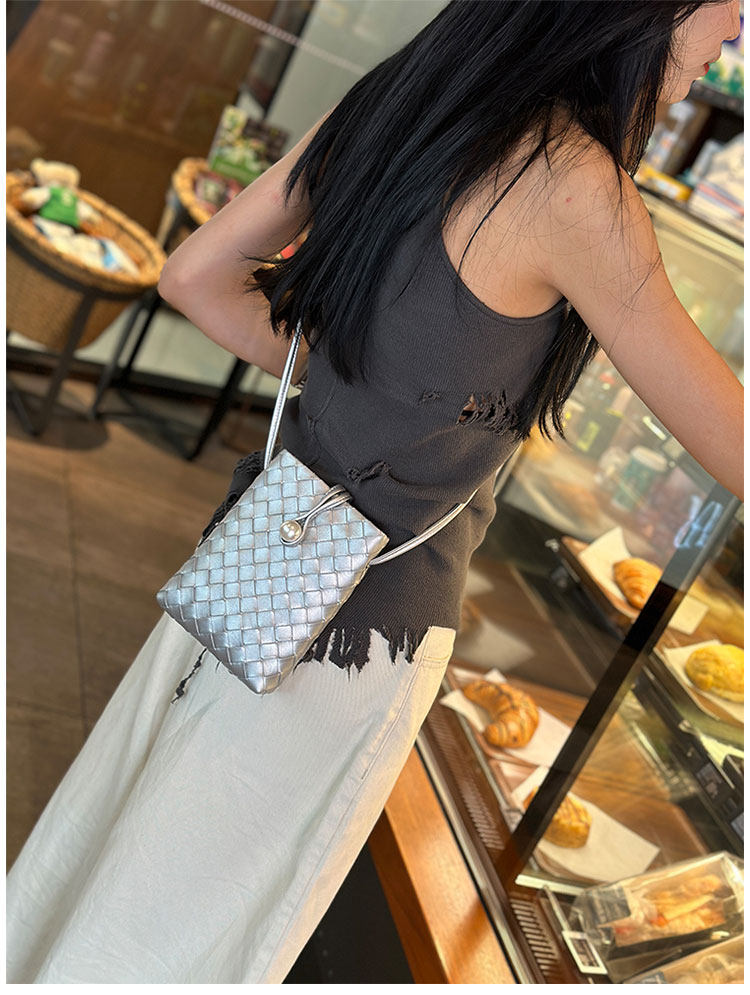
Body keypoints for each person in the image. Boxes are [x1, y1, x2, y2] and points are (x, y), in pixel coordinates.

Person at [6, 0, 743, 983]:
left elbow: (195, 276)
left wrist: (363, 386)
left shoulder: (406, 94)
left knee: (119, 853)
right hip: (364, 633)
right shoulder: (575, 189)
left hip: (258, 560)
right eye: (728, 7)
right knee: (199, 936)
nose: (732, 30)